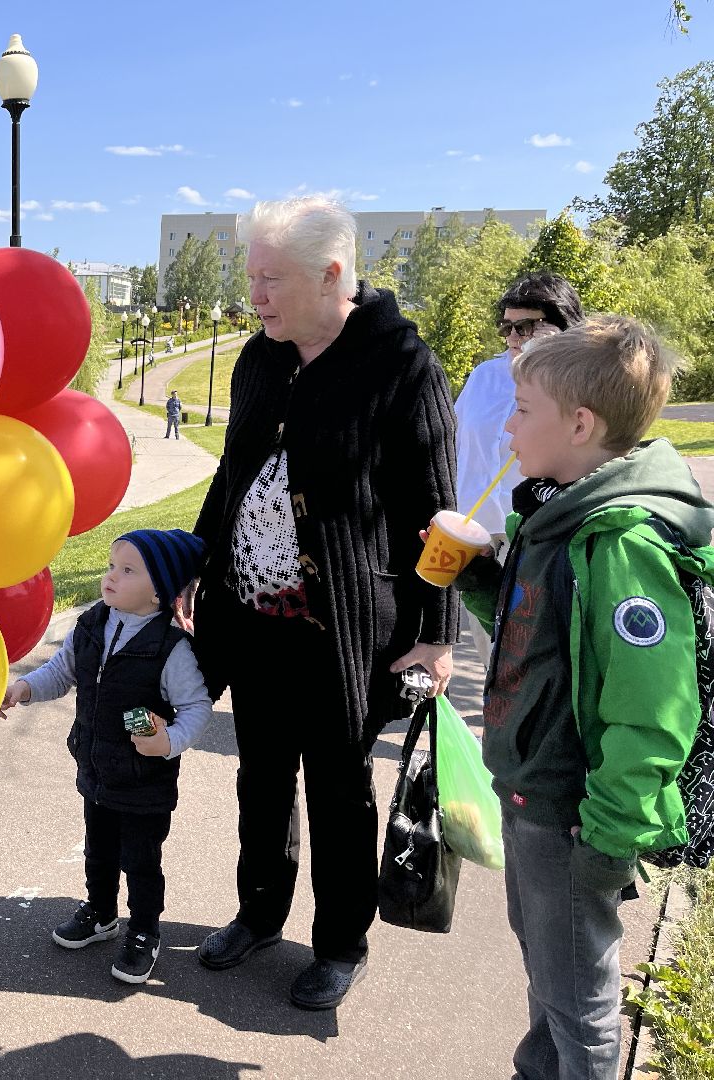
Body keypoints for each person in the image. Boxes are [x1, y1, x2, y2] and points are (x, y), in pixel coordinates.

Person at [185, 196, 458, 1010]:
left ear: (332, 274)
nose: (255, 295)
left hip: (346, 633)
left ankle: (341, 942)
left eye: (270, 279)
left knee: (340, 792)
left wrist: (438, 636)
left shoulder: (402, 363)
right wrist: (196, 564)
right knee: (260, 782)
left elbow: (438, 512)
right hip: (252, 622)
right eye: (251, 277)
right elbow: (232, 474)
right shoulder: (259, 358)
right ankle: (259, 913)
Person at [454, 316, 709, 1080]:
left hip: (574, 817)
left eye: (523, 408)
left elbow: (652, 708)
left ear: (580, 423)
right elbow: (535, 633)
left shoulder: (620, 541)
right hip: (532, 794)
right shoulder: (553, 513)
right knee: (547, 967)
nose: (507, 424)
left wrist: (610, 836)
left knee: (578, 998)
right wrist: (474, 578)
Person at [0, 529, 213, 985]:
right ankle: (100, 913)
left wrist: (168, 741)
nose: (111, 577)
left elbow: (196, 706)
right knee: (98, 850)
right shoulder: (94, 622)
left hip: (144, 779)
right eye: (112, 566)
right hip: (96, 767)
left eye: (128, 570)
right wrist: (24, 688)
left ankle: (143, 930)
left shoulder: (170, 647)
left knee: (140, 859)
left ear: (159, 590)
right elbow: (62, 672)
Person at [454, 271, 585, 668]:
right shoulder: (484, 377)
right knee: (493, 659)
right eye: (507, 327)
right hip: (479, 537)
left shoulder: (578, 380)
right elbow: (455, 444)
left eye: (526, 326)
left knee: (534, 660)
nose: (513, 337)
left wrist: (553, 363)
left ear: (561, 328)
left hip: (537, 536)